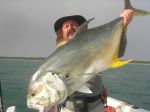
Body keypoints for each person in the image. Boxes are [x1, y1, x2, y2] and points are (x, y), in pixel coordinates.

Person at [53, 9, 133, 112]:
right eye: (66, 26)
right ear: (63, 34)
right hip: (69, 108)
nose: (70, 28)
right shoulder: (57, 56)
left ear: (81, 29)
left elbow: (119, 52)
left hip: (96, 107)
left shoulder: (95, 47)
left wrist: (124, 26)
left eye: (73, 25)